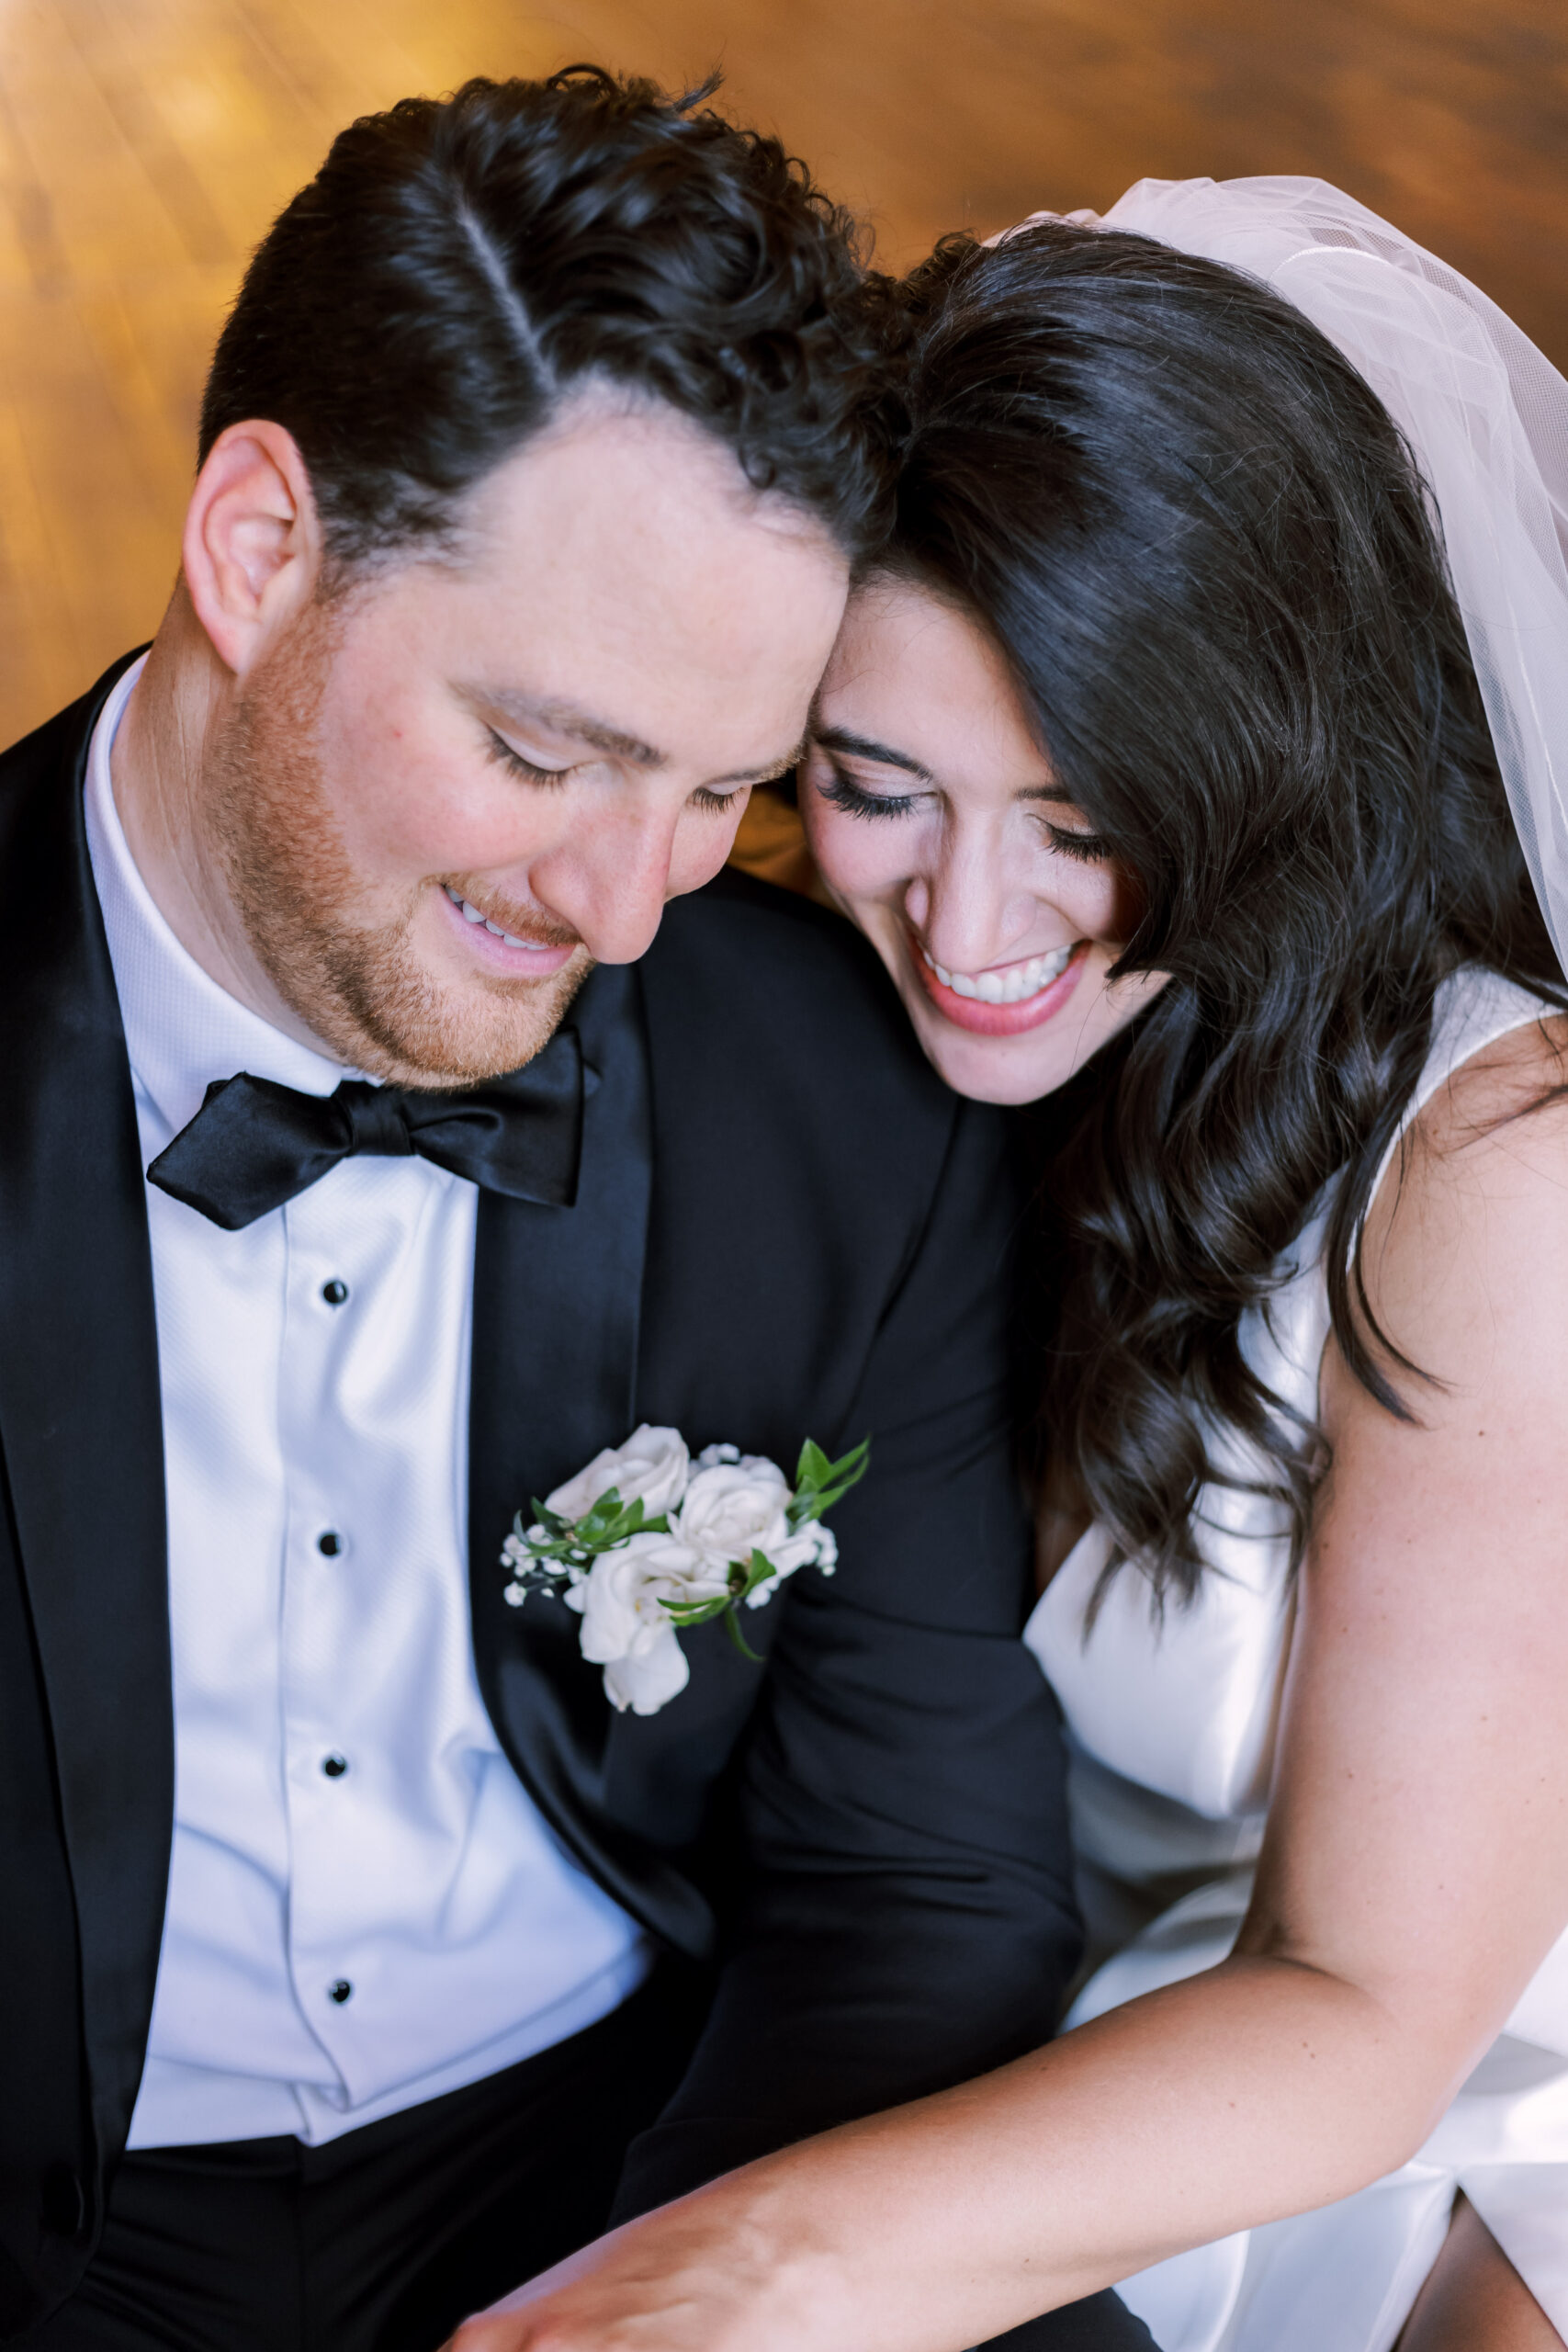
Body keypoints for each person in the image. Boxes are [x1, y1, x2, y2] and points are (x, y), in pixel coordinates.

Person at [0, 69, 1154, 2352]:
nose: (629, 913)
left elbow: (913, 1882)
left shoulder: (830, 1087)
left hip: (647, 2162)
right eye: (546, 754)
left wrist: (678, 2294)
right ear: (257, 547)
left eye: (722, 790)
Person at [446, 184, 1568, 2352]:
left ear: (1252, 776)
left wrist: (756, 2260)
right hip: (940, 2011)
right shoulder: (775, 1032)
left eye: (1077, 821)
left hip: (1403, 2080)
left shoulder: (1490, 1159)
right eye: (875, 787)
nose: (965, 928)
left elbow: (1375, 2003)